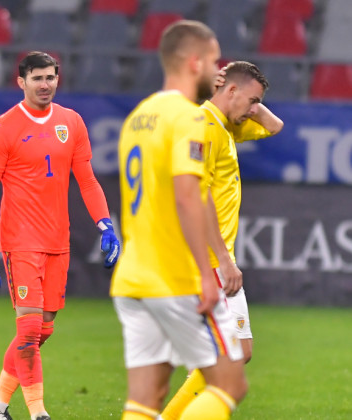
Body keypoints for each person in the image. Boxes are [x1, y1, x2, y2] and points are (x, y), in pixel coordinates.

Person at [0, 51, 121, 420]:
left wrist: (106, 224)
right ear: (20, 81)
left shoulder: (71, 122)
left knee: (43, 331)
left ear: (58, 79)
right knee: (29, 329)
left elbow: (86, 180)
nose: (45, 84)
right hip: (20, 240)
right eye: (37, 78)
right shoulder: (3, 128)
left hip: (58, 239)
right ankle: (39, 414)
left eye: (50, 77)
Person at [111, 20, 248, 420]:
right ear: (194, 62)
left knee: (145, 399)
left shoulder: (139, 117)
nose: (218, 70)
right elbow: (189, 195)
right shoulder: (187, 118)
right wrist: (208, 275)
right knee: (230, 383)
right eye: (213, 59)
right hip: (175, 277)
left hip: (133, 278)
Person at [161, 61, 283, 420]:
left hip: (219, 257)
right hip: (210, 260)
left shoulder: (227, 126)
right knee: (224, 357)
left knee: (239, 351)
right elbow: (198, 199)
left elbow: (275, 126)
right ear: (230, 91)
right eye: (250, 100)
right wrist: (224, 261)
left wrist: (250, 100)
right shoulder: (203, 128)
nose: (253, 109)